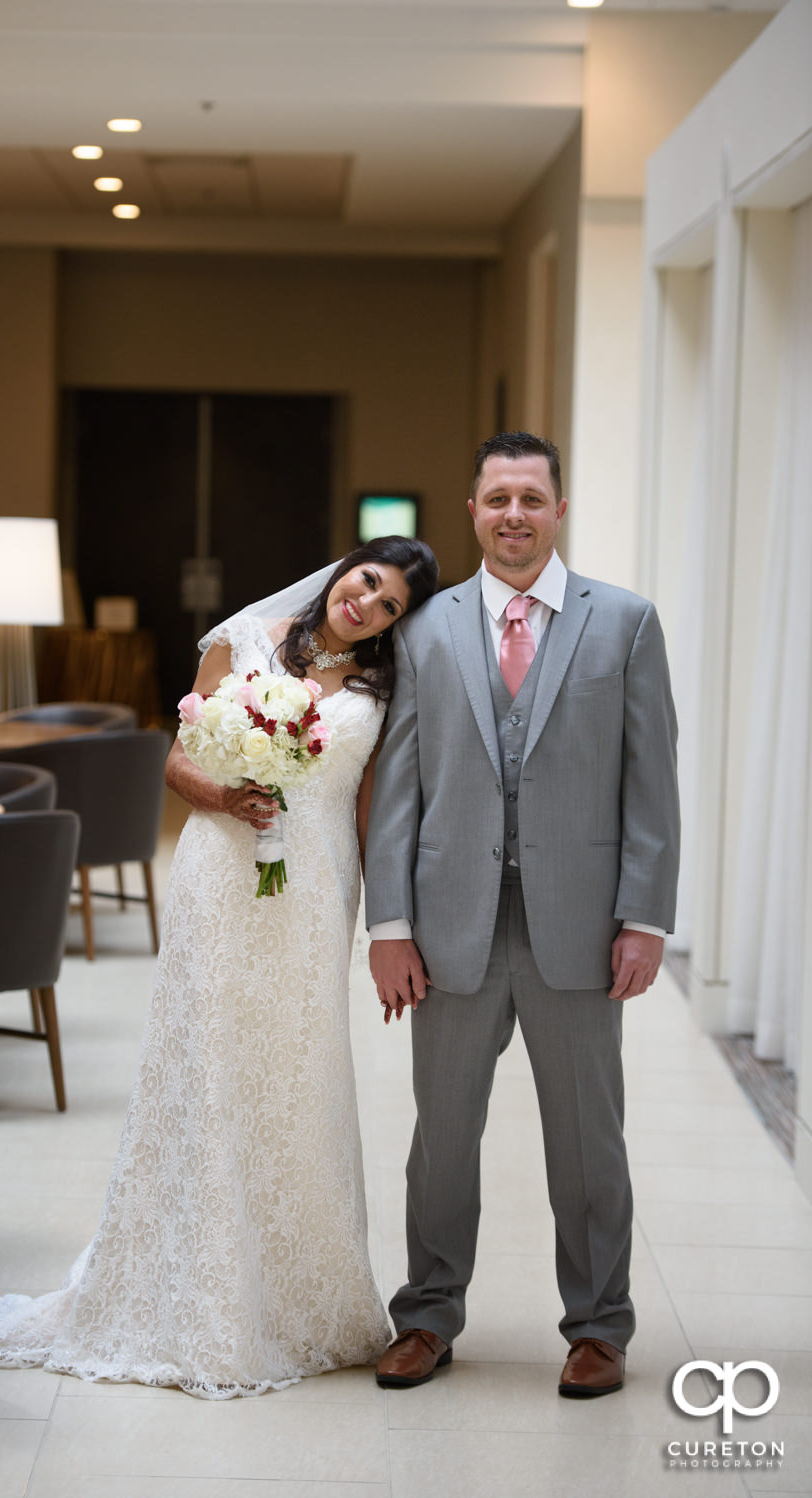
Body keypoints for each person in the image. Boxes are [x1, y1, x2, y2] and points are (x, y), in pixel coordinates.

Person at [0, 535, 439, 1399]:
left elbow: (370, 808)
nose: (368, 607)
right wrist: (228, 794)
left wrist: (388, 920)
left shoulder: (385, 686)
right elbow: (176, 759)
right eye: (368, 583)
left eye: (389, 608)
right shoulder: (246, 638)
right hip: (221, 870)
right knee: (207, 1065)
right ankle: (200, 1292)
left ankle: (303, 1294)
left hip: (313, 888)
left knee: (296, 1075)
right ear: (345, 569)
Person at [365, 432, 679, 1397]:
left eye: (531, 499)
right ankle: (426, 1317)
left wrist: (644, 916)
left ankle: (598, 1327)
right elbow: (398, 788)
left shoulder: (624, 623)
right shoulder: (424, 630)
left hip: (580, 927)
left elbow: (649, 783)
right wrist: (389, 928)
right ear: (472, 511)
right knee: (442, 1139)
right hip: (450, 921)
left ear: (558, 511)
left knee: (589, 1140)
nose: (513, 514)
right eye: (496, 497)